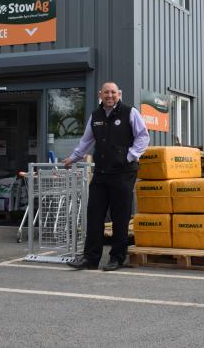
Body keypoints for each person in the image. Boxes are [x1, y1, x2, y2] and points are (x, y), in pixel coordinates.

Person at [63, 81, 149, 271]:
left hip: (123, 172)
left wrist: (130, 156)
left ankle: (117, 258)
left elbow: (143, 137)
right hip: (101, 172)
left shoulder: (130, 112)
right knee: (94, 215)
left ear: (119, 94)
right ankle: (90, 259)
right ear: (100, 95)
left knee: (120, 216)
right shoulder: (96, 116)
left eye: (113, 92)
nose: (109, 96)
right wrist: (73, 158)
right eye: (106, 93)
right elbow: (86, 140)